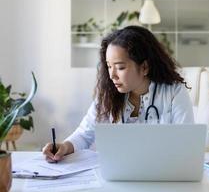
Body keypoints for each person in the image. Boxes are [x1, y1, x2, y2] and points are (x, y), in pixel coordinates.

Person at [43, 25, 194, 162]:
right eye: (109, 66)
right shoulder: (108, 95)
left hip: (162, 174)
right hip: (119, 175)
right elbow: (84, 134)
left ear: (145, 67)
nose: (112, 75)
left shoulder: (174, 92)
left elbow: (186, 145)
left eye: (120, 67)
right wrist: (64, 146)